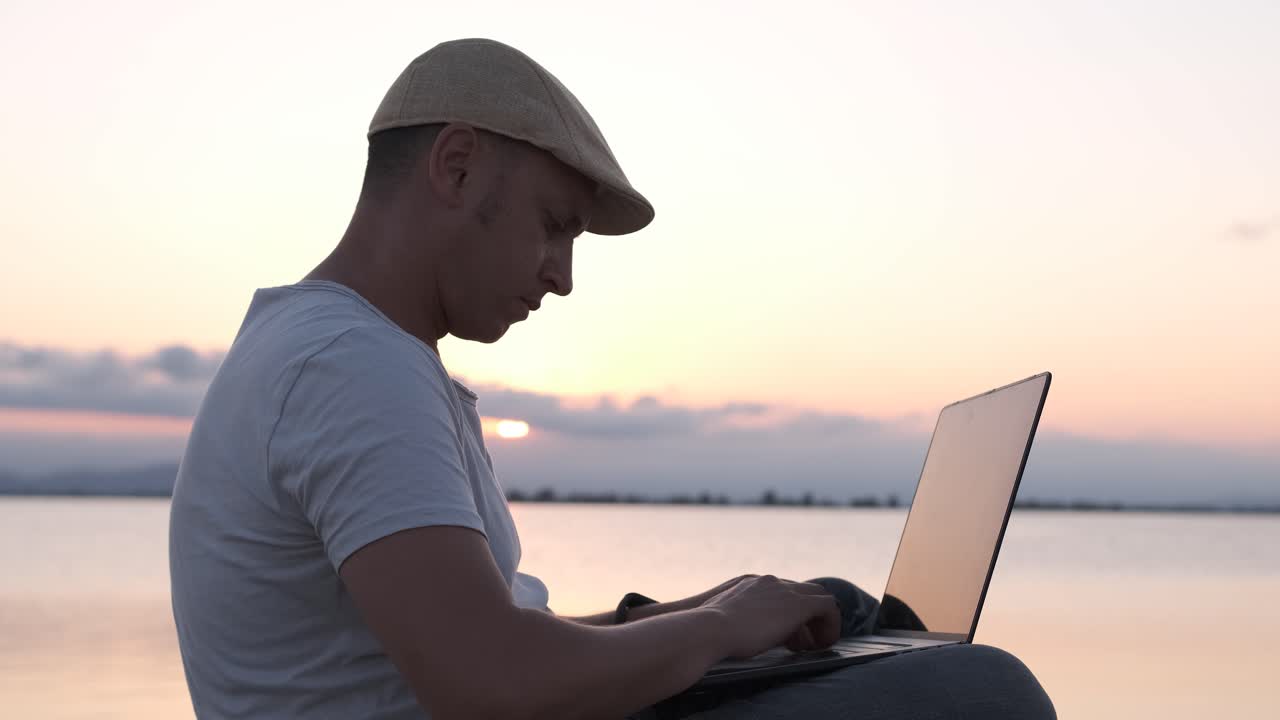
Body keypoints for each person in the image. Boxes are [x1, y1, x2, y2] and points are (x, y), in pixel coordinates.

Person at [168, 38, 1056, 719]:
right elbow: (490, 683)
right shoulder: (349, 368)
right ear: (456, 165)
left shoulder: (340, 350)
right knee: (986, 691)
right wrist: (712, 633)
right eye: (554, 226)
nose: (561, 276)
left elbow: (479, 642)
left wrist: (670, 616)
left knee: (843, 611)